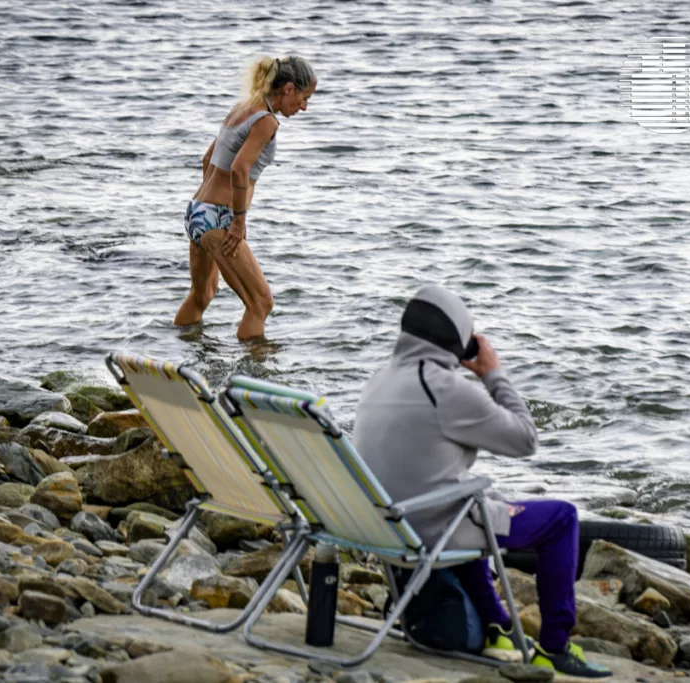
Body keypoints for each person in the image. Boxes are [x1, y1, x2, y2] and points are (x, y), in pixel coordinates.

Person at [354, 285, 613, 679]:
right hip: (430, 530)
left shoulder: (378, 382)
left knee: (478, 498)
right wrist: (494, 375)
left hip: (384, 528)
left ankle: (498, 626)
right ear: (460, 343)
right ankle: (556, 647)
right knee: (561, 518)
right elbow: (525, 439)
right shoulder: (445, 388)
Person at [174, 56, 316, 340]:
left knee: (202, 294)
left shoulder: (242, 107)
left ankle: (177, 358)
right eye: (303, 97)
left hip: (197, 210)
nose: (304, 106)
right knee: (261, 303)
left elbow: (207, 160)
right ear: (288, 88)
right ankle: (252, 377)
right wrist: (236, 221)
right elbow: (240, 170)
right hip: (218, 216)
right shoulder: (266, 121)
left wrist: (208, 212)